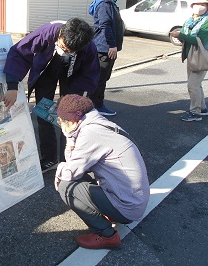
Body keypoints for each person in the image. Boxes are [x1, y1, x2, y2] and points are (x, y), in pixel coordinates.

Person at [3, 18, 100, 172]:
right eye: (64, 47)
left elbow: (90, 73)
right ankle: (49, 158)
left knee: (71, 117)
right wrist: (12, 85)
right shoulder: (47, 32)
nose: (67, 52)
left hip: (74, 76)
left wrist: (82, 98)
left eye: (71, 51)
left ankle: (68, 158)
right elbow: (20, 52)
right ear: (60, 35)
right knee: (43, 113)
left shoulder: (88, 46)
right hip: (46, 71)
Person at [54, 94, 150, 250]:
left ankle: (106, 235)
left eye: (62, 121)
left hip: (127, 208)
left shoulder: (90, 134)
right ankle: (109, 212)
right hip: (133, 200)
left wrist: (68, 138)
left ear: (72, 121)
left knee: (66, 186)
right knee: (82, 172)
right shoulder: (100, 123)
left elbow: (69, 172)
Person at [169, 0, 208, 122]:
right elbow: (185, 35)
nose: (199, 7)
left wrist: (181, 36)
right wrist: (180, 36)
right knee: (197, 85)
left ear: (207, 7)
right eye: (197, 4)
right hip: (191, 56)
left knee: (192, 85)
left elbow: (199, 39)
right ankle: (202, 108)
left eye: (203, 4)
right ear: (192, 6)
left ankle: (195, 112)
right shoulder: (190, 20)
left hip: (202, 57)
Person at [88, 0, 125, 116]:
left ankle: (96, 104)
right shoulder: (104, 5)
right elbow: (105, 25)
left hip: (105, 47)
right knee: (100, 78)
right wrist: (112, 45)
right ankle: (96, 106)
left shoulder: (108, 3)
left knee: (101, 78)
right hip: (104, 48)